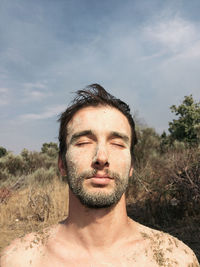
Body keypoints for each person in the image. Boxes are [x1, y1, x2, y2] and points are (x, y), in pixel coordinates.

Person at [1, 84, 199, 267]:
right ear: (62, 164)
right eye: (84, 142)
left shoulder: (176, 259)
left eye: (117, 144)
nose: (101, 157)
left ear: (131, 166)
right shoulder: (19, 260)